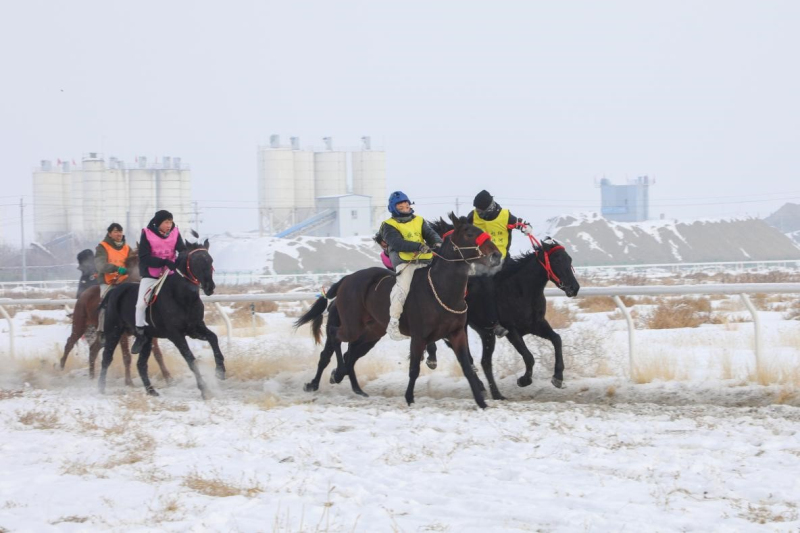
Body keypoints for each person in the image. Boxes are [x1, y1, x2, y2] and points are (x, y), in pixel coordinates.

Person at [466, 189, 533, 337]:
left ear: (490, 208)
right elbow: (461, 229)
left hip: (503, 259)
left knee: (519, 280)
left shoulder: (505, 216)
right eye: (476, 209)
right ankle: (494, 324)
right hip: (482, 264)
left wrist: (526, 228)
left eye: (480, 210)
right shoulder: (473, 216)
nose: (477, 212)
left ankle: (525, 313)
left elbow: (519, 223)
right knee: (487, 290)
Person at [380, 191, 443, 340]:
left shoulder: (419, 220)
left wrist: (437, 242)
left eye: (406, 203)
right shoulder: (388, 225)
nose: (404, 206)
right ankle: (393, 323)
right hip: (405, 263)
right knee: (403, 288)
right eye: (400, 205)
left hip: (425, 261)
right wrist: (419, 246)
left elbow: (431, 234)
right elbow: (396, 243)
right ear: (393, 207)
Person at [131, 210, 186, 354]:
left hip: (171, 274)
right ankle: (140, 333)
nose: (169, 225)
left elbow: (183, 250)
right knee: (141, 304)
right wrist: (164, 261)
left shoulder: (175, 233)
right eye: (166, 222)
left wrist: (178, 261)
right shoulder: (147, 234)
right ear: (158, 223)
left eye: (170, 222)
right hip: (151, 275)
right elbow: (144, 257)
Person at [94, 222, 136, 332]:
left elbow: (133, 263)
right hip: (108, 282)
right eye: (116, 232)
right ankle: (102, 330)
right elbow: (100, 265)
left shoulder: (127, 248)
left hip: (124, 281)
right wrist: (117, 269)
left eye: (120, 232)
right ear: (110, 234)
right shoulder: (102, 247)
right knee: (105, 303)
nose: (119, 234)